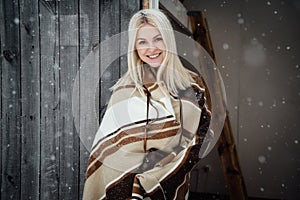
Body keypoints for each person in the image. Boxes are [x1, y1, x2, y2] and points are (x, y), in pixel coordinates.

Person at [82, 9, 211, 200]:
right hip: (123, 187)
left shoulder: (192, 86)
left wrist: (154, 178)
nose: (151, 48)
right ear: (134, 46)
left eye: (158, 39)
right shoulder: (124, 89)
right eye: (142, 42)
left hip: (171, 183)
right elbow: (109, 149)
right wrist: (132, 182)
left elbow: (203, 137)